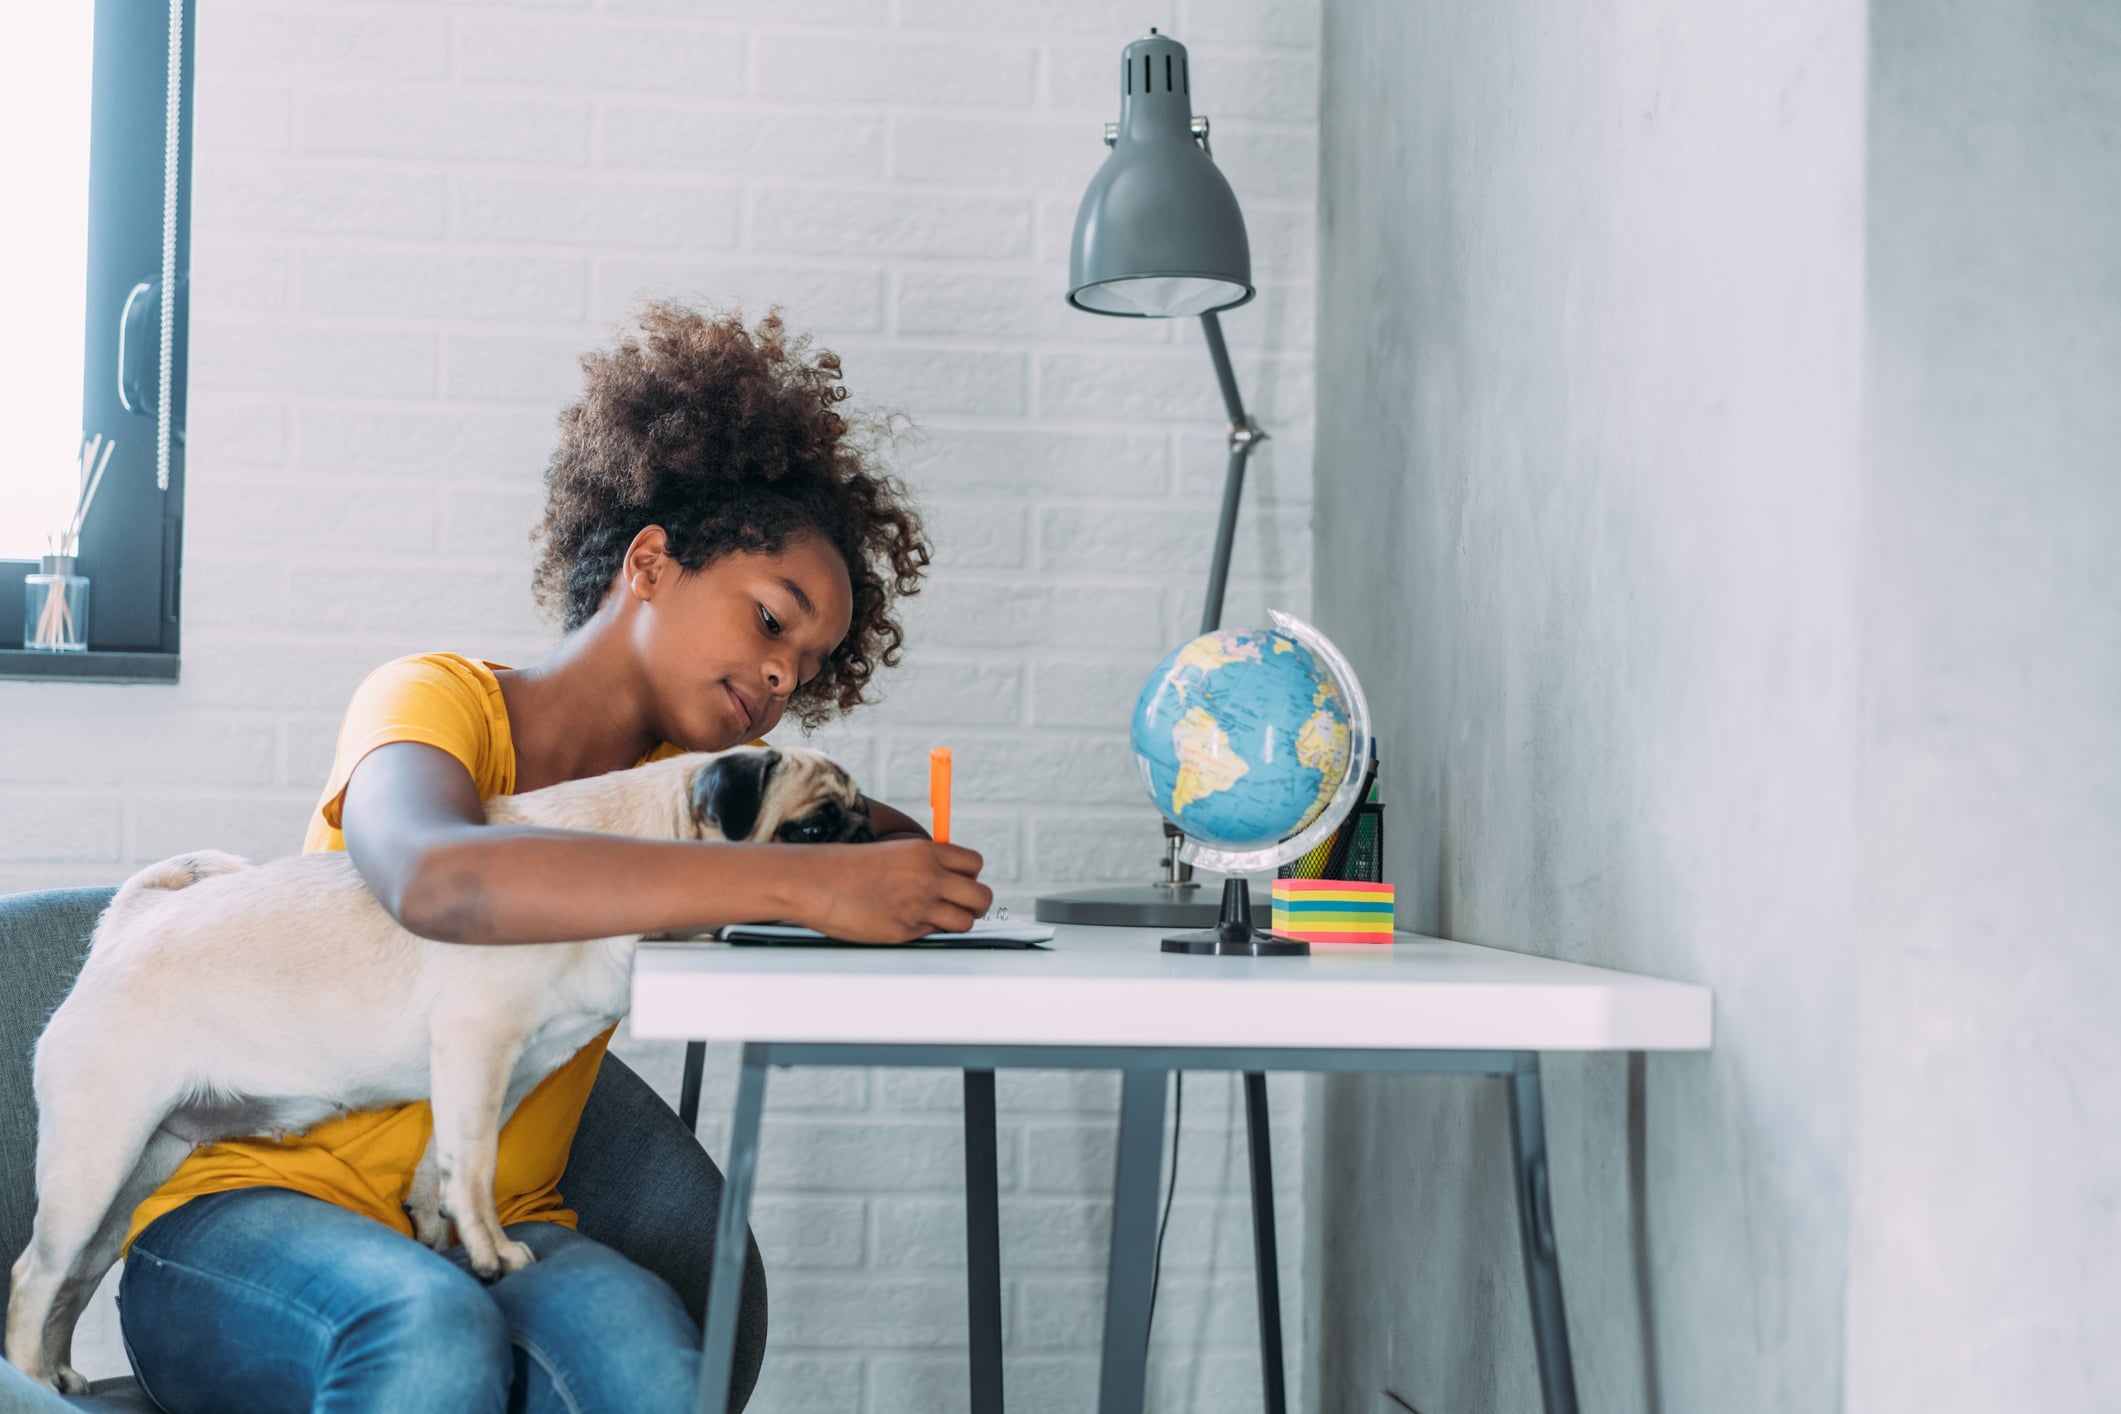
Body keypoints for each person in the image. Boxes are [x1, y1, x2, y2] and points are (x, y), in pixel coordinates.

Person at [111, 304, 991, 1414]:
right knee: (426, 1332)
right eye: (772, 620)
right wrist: (804, 878)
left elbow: (889, 847)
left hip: (506, 1226)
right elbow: (441, 877)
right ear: (651, 562)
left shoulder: (702, 801)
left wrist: (862, 852)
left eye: (809, 666)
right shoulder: (434, 700)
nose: (783, 679)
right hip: (257, 1213)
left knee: (657, 1370)